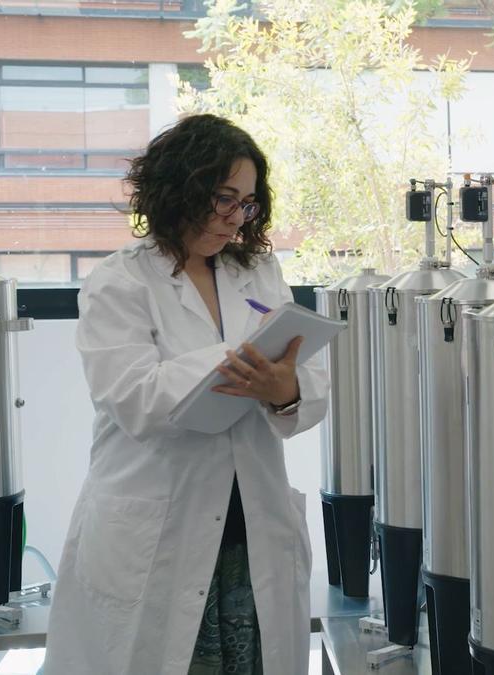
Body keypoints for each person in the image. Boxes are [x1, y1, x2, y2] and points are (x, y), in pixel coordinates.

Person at [44, 114, 328, 674]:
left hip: (250, 533)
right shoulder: (120, 282)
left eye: (246, 204)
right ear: (179, 187)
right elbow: (133, 397)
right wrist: (241, 361)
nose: (234, 218)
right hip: (157, 534)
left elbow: (308, 381)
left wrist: (283, 388)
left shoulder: (260, 271)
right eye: (224, 198)